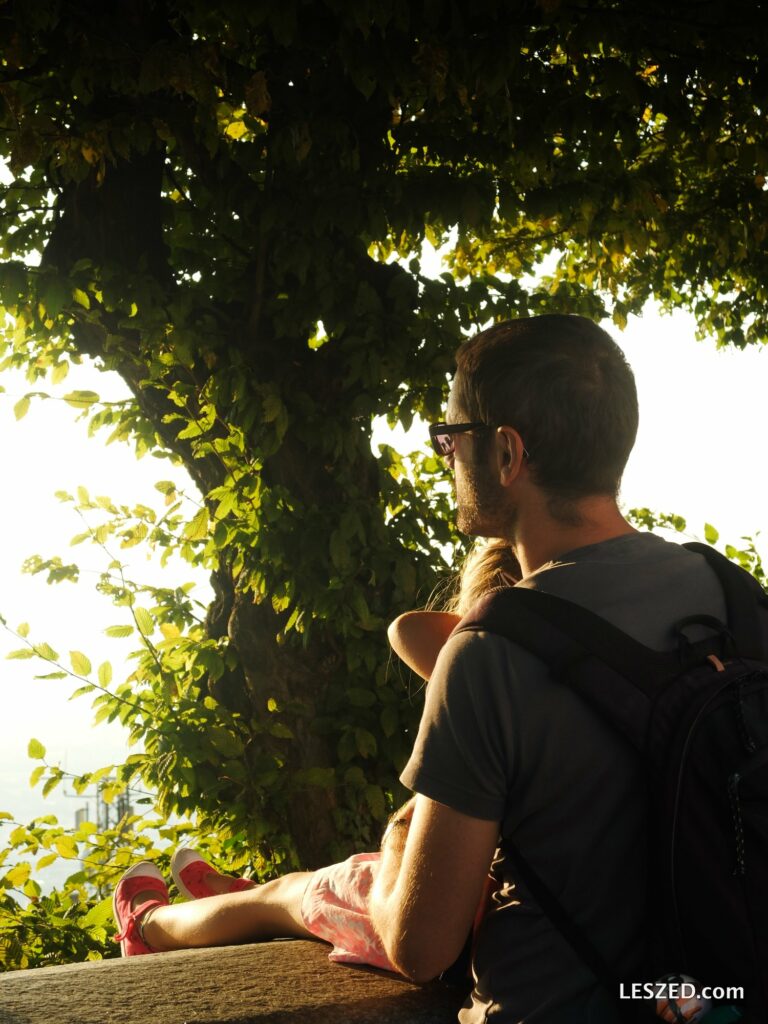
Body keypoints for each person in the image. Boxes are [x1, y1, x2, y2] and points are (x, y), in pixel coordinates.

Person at [367, 314, 728, 1023]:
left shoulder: (488, 652)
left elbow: (422, 945)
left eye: (450, 439)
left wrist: (393, 848)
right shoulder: (732, 597)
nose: (445, 457)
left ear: (507, 453)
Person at [111, 541, 521, 967]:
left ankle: (146, 925)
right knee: (302, 885)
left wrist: (402, 826)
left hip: (450, 915)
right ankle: (236, 898)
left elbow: (407, 630)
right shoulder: (568, 706)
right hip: (481, 903)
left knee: (285, 894)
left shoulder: (490, 681)